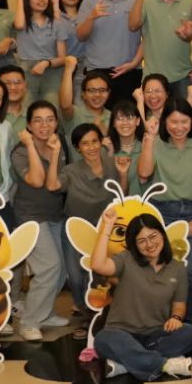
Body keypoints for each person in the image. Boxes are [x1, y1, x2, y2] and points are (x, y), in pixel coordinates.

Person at [87, 207, 192, 381]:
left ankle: (126, 363)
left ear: (162, 234)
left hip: (156, 335)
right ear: (134, 245)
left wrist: (176, 318)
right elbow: (98, 265)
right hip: (122, 334)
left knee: (189, 333)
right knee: (103, 339)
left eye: (153, 236)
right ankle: (166, 364)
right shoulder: (126, 259)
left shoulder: (177, 268)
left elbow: (179, 306)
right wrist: (107, 226)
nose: (149, 244)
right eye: (141, 241)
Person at [136, 99, 192, 291]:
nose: (179, 127)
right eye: (173, 122)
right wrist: (150, 138)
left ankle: (186, 310)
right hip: (162, 212)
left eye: (184, 122)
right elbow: (144, 173)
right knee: (158, 268)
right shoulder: (156, 143)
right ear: (164, 121)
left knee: (190, 271)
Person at [9, 102, 70, 341]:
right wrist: (29, 145)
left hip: (54, 214)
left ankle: (45, 313)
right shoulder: (20, 151)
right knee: (49, 266)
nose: (44, 125)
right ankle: (29, 322)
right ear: (29, 125)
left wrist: (55, 153)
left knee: (62, 268)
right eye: (38, 120)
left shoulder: (59, 144)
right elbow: (36, 180)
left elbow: (57, 182)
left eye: (49, 119)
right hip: (30, 218)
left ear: (56, 122)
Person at [58, 123, 124, 313]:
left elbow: (121, 194)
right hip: (75, 228)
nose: (91, 147)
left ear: (101, 142)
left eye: (95, 141)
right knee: (75, 275)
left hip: (104, 228)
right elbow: (54, 186)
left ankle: (95, 313)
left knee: (99, 276)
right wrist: (55, 154)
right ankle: (81, 306)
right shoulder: (71, 170)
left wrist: (123, 174)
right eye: (85, 143)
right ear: (77, 148)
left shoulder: (113, 164)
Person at [128, 0, 192, 104]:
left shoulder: (190, 2)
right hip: (153, 76)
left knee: (183, 116)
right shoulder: (146, 0)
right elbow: (133, 25)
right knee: (153, 117)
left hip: (183, 75)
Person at [76, 0, 145, 104]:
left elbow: (147, 38)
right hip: (97, 71)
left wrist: (134, 63)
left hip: (129, 70)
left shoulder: (138, 0)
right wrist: (91, 17)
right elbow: (81, 35)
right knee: (97, 116)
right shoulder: (90, 1)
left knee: (128, 116)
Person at [12, 0, 69, 107]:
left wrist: (46, 63)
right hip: (26, 73)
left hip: (51, 73)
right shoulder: (22, 21)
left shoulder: (57, 24)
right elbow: (19, 25)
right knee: (25, 111)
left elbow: (62, 58)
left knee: (51, 108)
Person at [59, 64, 113, 136]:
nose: (97, 95)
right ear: (83, 94)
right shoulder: (75, 114)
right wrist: (68, 70)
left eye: (102, 90)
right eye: (92, 90)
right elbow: (65, 106)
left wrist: (106, 133)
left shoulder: (114, 117)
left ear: (108, 93)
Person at [104, 99, 143, 194]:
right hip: (116, 202)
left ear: (138, 121)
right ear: (113, 123)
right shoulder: (106, 148)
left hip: (147, 202)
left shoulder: (146, 146)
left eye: (129, 117)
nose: (125, 123)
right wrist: (110, 155)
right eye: (120, 118)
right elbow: (108, 186)